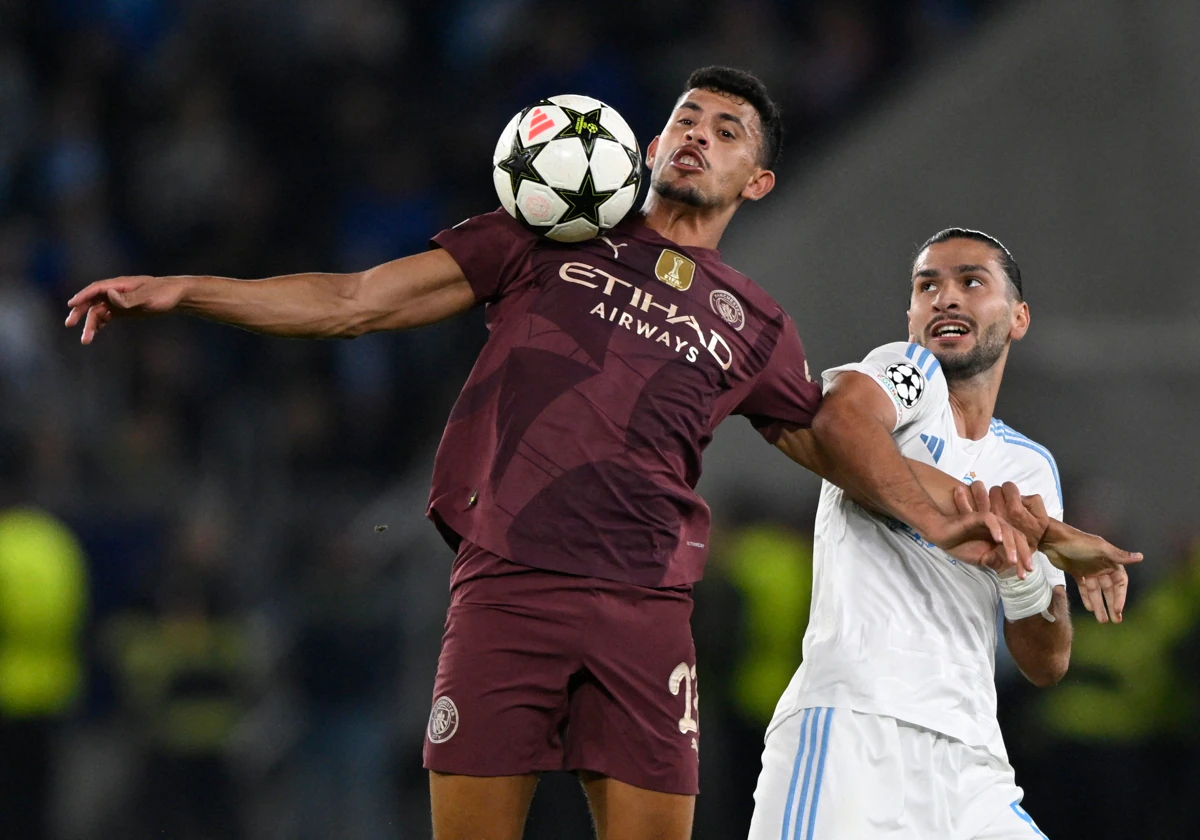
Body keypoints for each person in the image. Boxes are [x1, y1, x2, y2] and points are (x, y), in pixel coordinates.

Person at [65, 68, 1111, 840]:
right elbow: (351, 303)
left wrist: (1043, 541)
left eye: (729, 130)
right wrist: (186, 291)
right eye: (684, 119)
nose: (697, 137)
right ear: (647, 145)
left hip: (646, 612)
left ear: (759, 180)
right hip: (506, 591)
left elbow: (866, 465)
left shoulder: (755, 324)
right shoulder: (547, 237)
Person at [747, 229, 1142, 840]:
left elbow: (1048, 662)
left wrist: (1023, 571)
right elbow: (841, 417)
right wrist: (993, 526)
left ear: (1018, 317)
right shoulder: (912, 377)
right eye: (926, 285)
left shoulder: (1030, 467)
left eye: (970, 281)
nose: (944, 298)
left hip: (972, 758)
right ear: (910, 315)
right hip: (855, 731)